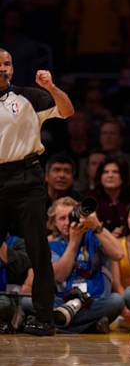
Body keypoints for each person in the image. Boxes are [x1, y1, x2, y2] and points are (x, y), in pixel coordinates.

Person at [0, 49, 74, 335]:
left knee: (38, 249)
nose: (3, 68)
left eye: (7, 63)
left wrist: (52, 87)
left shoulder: (30, 97)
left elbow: (67, 111)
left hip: (26, 178)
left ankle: (43, 317)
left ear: (13, 68)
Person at [38, 196, 125, 333]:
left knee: (116, 301)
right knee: (31, 302)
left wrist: (96, 226)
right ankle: (91, 326)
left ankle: (60, 325)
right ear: (54, 222)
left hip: (94, 302)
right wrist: (74, 242)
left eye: (71, 216)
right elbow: (59, 277)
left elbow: (119, 254)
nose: (67, 222)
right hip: (63, 302)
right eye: (61, 218)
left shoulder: (95, 236)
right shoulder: (52, 245)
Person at [93, 157, 130, 237]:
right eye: (105, 172)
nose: (110, 175)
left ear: (123, 176)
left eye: (115, 172)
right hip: (99, 243)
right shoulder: (91, 198)